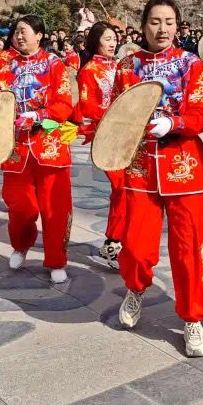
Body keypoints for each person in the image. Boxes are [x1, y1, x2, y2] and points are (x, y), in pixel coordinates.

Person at [112, 0, 203, 359]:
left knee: (188, 249)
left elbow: (201, 113)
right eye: (155, 22)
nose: (162, 29)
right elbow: (115, 114)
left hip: (184, 167)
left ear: (178, 26)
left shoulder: (190, 63)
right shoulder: (127, 66)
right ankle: (136, 287)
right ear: (143, 26)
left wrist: (175, 122)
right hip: (140, 167)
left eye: (169, 22)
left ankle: (192, 318)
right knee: (136, 247)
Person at [0, 15, 75, 283]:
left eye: (24, 31)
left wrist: (40, 116)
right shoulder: (5, 64)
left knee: (55, 209)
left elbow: (64, 103)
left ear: (39, 35)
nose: (19, 36)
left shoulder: (54, 64)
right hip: (16, 147)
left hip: (49, 146)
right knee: (20, 205)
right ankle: (20, 245)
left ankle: (56, 260)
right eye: (16, 31)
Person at [78, 22, 123, 269]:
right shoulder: (89, 70)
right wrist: (114, 113)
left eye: (114, 38)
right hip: (106, 136)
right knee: (122, 186)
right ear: (96, 41)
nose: (112, 43)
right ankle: (113, 242)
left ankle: (120, 239)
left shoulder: (121, 66)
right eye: (107, 39)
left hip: (128, 135)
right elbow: (88, 107)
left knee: (128, 188)